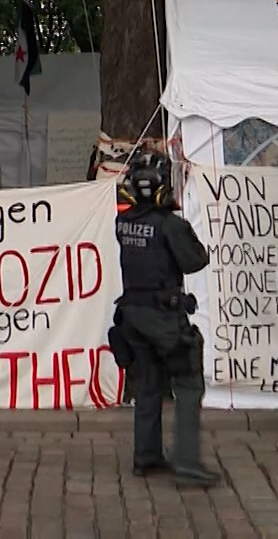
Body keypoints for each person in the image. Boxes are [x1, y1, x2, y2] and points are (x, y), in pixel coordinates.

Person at [111, 146, 218, 488]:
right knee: (188, 386)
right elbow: (195, 260)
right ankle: (187, 464)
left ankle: (146, 456)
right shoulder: (170, 225)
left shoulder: (123, 222)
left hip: (132, 317)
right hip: (163, 318)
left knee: (148, 386)